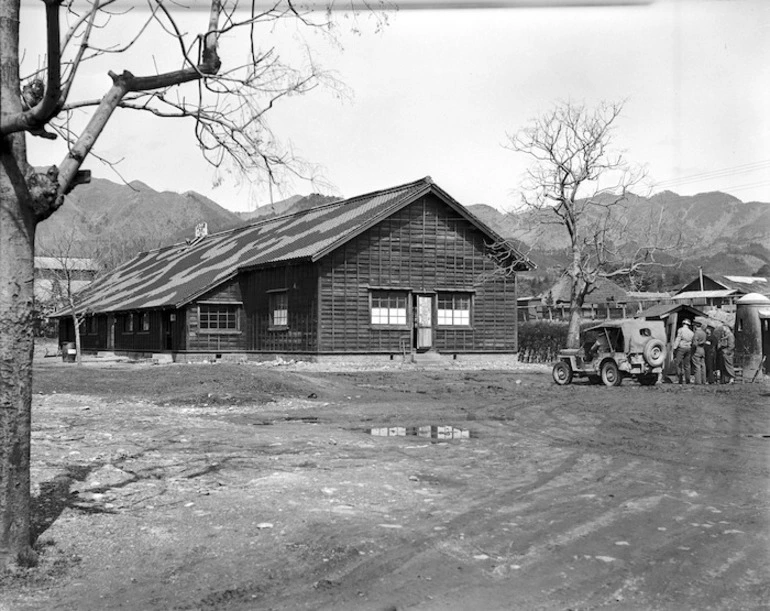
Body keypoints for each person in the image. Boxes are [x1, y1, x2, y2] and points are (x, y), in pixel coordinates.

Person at [673, 318, 693, 384]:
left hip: (681, 348)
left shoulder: (680, 330)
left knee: (678, 363)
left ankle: (680, 378)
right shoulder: (691, 332)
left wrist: (674, 347)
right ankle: (688, 379)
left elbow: (678, 339)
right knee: (687, 365)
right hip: (688, 348)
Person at [690, 319, 707, 385]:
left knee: (697, 366)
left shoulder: (696, 333)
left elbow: (695, 343)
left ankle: (698, 381)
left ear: (695, 326)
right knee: (703, 365)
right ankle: (704, 380)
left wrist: (692, 348)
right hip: (702, 349)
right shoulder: (704, 332)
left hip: (697, 349)